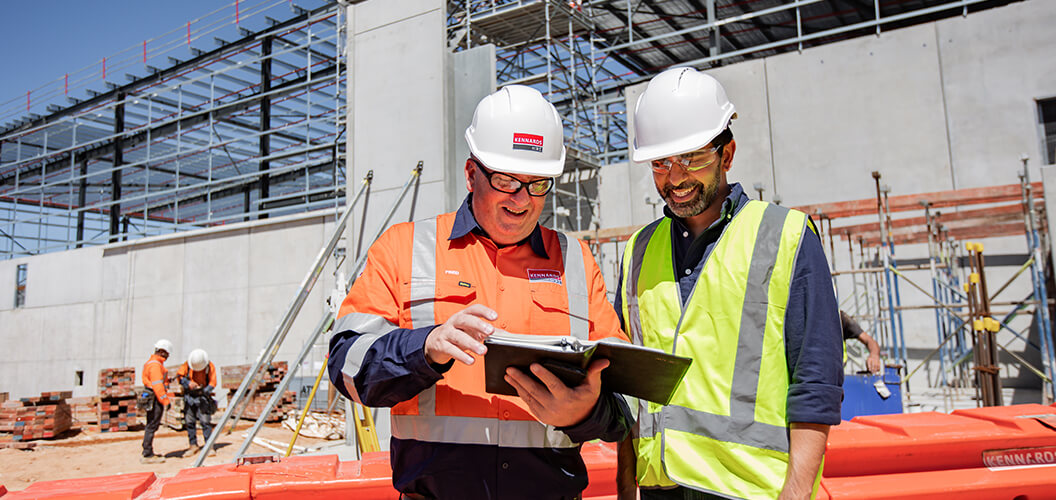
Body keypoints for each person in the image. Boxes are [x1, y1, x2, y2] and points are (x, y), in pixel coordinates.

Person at [327, 85, 632, 499]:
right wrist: (426, 347)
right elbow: (348, 367)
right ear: (472, 174)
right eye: (506, 180)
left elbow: (623, 404)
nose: (521, 200)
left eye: (537, 183)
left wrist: (584, 413)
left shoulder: (576, 261)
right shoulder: (404, 248)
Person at [615, 67, 844, 499]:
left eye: (694, 157)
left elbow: (816, 381)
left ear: (728, 153)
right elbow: (628, 384)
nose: (676, 177)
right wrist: (626, 483)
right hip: (659, 487)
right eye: (661, 163)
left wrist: (797, 492)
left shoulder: (785, 236)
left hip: (754, 489)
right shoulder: (638, 251)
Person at [177, 348, 218, 455]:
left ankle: (209, 446)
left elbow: (213, 383)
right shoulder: (187, 365)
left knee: (205, 422)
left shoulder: (209, 366)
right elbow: (180, 377)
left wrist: (204, 391)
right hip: (189, 396)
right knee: (189, 422)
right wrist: (188, 383)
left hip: (202, 396)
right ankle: (193, 445)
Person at [141, 339, 172, 464]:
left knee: (151, 425)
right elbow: (157, 385)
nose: (168, 356)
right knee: (152, 425)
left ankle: (148, 451)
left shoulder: (152, 363)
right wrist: (165, 401)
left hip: (151, 396)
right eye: (167, 353)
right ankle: (147, 454)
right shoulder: (155, 365)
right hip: (155, 398)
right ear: (162, 351)